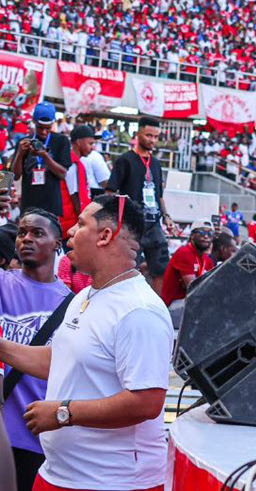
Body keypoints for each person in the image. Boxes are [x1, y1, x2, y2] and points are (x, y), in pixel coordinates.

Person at [0, 195, 173, 491]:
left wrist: (62, 412)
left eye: (80, 224)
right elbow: (62, 360)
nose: (70, 231)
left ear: (104, 236)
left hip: (112, 482)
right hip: (59, 473)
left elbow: (147, 402)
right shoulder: (87, 294)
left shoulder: (140, 310)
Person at [0, 210, 70, 491]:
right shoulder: (2, 282)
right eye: (22, 233)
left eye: (37, 233)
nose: (26, 238)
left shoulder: (73, 305)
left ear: (57, 244)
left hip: (38, 436)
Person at [106, 117, 172, 294]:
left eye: (156, 137)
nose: (152, 140)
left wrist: (166, 216)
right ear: (138, 134)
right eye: (149, 135)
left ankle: (158, 305)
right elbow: (110, 192)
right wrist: (114, 221)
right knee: (128, 270)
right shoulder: (125, 160)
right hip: (132, 226)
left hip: (154, 224)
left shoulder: (156, 164)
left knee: (162, 269)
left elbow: (159, 195)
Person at [12, 104, 70, 218]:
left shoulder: (61, 141)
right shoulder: (24, 142)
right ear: (34, 121)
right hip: (29, 205)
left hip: (51, 206)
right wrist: (20, 154)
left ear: (53, 123)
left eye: (48, 128)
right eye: (40, 127)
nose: (44, 132)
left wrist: (45, 156)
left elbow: (62, 174)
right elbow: (15, 176)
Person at [160, 221, 215, 307]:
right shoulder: (184, 253)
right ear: (192, 235)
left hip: (189, 302)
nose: (206, 236)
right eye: (201, 232)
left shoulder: (207, 260)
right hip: (174, 304)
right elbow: (192, 287)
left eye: (210, 233)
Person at [61, 125, 98, 237]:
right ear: (78, 142)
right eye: (90, 143)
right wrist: (82, 222)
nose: (92, 147)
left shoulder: (77, 162)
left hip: (71, 222)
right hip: (69, 223)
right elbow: (74, 196)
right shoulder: (70, 162)